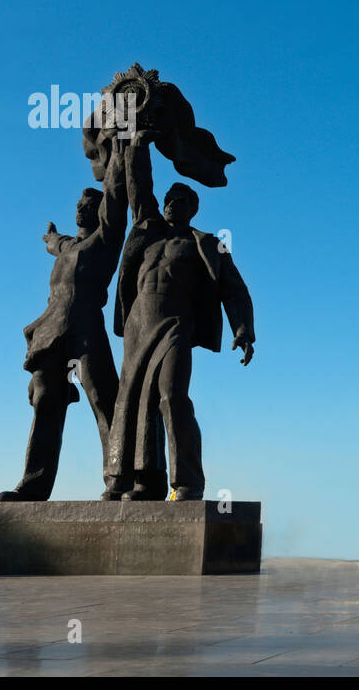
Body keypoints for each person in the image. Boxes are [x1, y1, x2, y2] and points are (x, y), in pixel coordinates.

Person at [103, 129, 256, 501]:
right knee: (132, 401)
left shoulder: (206, 243)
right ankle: (140, 481)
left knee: (172, 396)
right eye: (170, 198)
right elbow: (140, 184)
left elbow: (233, 287)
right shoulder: (148, 230)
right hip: (139, 324)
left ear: (193, 208)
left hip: (176, 325)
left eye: (182, 199)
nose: (173, 203)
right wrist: (138, 142)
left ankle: (188, 481)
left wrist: (243, 328)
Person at [0, 137, 130, 501]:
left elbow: (117, 196)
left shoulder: (104, 241)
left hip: (86, 332)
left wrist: (120, 147)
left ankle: (119, 481)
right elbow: (55, 243)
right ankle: (33, 485)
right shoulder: (68, 247)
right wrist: (52, 237)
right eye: (78, 205)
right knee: (45, 403)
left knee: (105, 401)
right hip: (52, 333)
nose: (80, 209)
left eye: (87, 205)